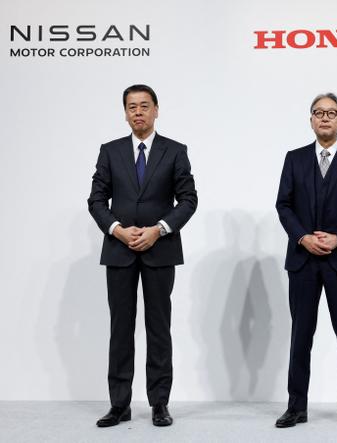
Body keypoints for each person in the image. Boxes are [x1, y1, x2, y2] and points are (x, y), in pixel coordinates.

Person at [88, 84, 197, 427]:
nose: (138, 112)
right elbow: (96, 199)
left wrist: (159, 229)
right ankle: (119, 405)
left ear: (156, 110)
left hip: (159, 250)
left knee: (158, 328)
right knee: (120, 329)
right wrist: (117, 229)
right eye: (132, 106)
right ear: (125, 113)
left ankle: (159, 403)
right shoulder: (110, 151)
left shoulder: (175, 151)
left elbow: (188, 200)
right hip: (119, 249)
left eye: (144, 106)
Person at [275, 93, 337, 429]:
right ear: (311, 120)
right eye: (318, 113)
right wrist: (303, 237)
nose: (325, 118)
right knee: (301, 336)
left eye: (332, 113)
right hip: (302, 260)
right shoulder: (294, 159)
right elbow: (283, 205)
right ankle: (296, 407)